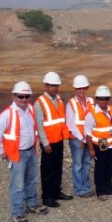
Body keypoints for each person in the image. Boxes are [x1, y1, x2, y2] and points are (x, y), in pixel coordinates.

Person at [0, 81, 48, 222]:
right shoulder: (8, 114)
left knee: (31, 179)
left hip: (30, 151)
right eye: (20, 96)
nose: (23, 100)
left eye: (26, 96)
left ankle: (31, 204)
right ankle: (17, 213)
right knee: (17, 184)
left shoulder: (29, 110)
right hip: (17, 154)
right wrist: (1, 151)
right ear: (14, 96)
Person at [34, 71, 72, 208]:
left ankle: (56, 192)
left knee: (57, 168)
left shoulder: (59, 100)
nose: (54, 88)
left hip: (59, 140)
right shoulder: (40, 103)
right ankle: (47, 197)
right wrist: (45, 143)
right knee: (47, 170)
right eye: (51, 85)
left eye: (56, 86)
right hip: (49, 142)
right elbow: (39, 124)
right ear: (46, 86)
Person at [85, 86, 112, 201]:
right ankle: (100, 191)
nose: (104, 101)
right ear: (96, 99)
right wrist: (91, 149)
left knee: (109, 167)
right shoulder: (92, 114)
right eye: (101, 99)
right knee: (100, 167)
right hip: (100, 144)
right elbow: (88, 133)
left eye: (106, 99)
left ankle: (109, 188)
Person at [65, 75, 95, 198]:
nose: (81, 91)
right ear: (75, 90)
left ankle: (86, 187)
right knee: (78, 164)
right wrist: (81, 138)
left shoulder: (91, 102)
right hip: (77, 140)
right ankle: (79, 189)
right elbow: (71, 124)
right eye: (79, 89)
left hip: (89, 138)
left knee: (86, 163)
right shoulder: (71, 104)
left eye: (83, 88)